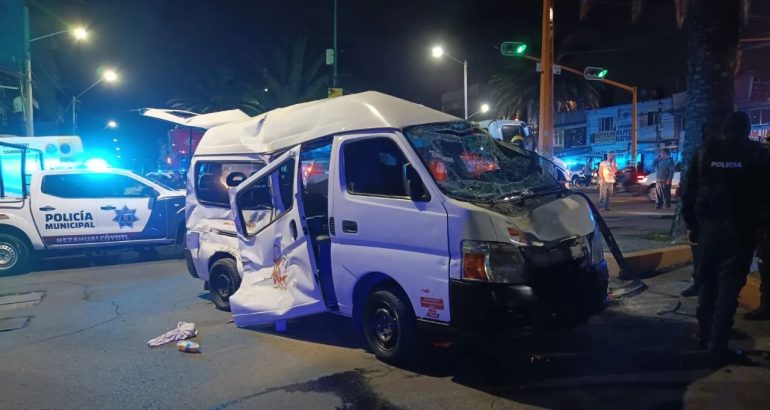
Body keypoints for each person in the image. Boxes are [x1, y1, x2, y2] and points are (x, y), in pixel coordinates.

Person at [682, 111, 770, 364]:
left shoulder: (704, 153)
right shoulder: (757, 154)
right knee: (728, 290)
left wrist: (692, 225)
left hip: (708, 230)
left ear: (724, 130)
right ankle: (718, 346)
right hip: (740, 232)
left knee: (707, 284)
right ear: (747, 130)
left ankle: (703, 336)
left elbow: (688, 192)